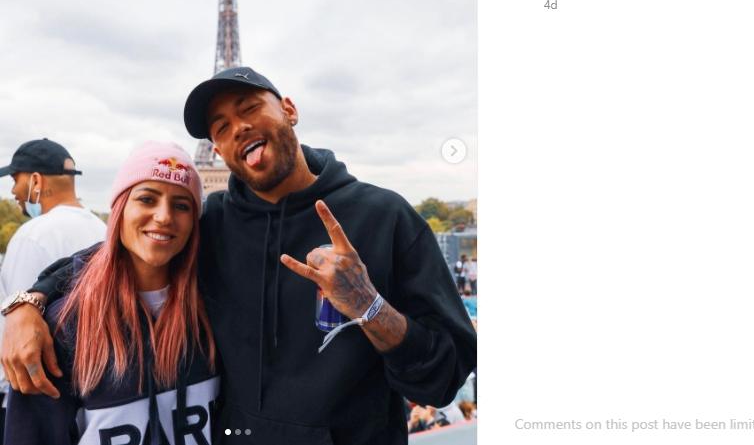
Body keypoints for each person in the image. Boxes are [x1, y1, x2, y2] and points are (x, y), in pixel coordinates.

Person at [2, 67, 477, 445]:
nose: (238, 128)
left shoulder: (385, 217)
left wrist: (370, 306)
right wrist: (29, 301)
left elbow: (441, 381)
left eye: (249, 108)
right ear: (219, 150)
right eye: (221, 128)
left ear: (289, 109)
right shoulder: (214, 222)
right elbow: (113, 253)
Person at [3, 141, 218, 443]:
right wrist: (24, 305)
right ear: (119, 210)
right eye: (147, 199)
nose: (164, 216)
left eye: (182, 205)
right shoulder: (64, 326)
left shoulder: (213, 308)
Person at [0, 139, 106, 436]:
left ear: (35, 180)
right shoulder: (103, 230)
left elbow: (18, 334)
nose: (12, 191)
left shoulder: (32, 235)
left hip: (40, 399)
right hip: (98, 393)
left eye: (14, 179)